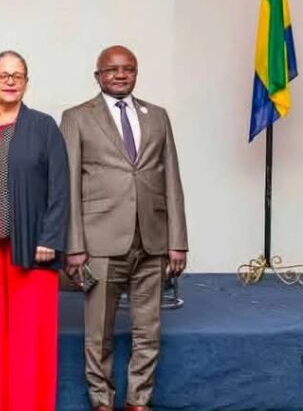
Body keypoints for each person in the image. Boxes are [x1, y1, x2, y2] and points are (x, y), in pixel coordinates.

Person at [61, 45, 188, 411]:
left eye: (128, 68)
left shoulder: (157, 116)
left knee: (148, 330)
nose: (120, 74)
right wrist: (74, 245)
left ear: (136, 72)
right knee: (98, 333)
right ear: (97, 75)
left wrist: (177, 240)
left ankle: (138, 402)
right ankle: (102, 402)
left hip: (152, 240)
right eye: (112, 69)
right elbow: (68, 185)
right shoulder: (77, 117)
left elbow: (172, 179)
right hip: (99, 242)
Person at [0, 50, 69, 411]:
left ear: (26, 83)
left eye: (17, 75)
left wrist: (50, 238)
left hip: (32, 249)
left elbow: (60, 187)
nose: (10, 81)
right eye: (3, 75)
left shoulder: (43, 126)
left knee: (29, 339)